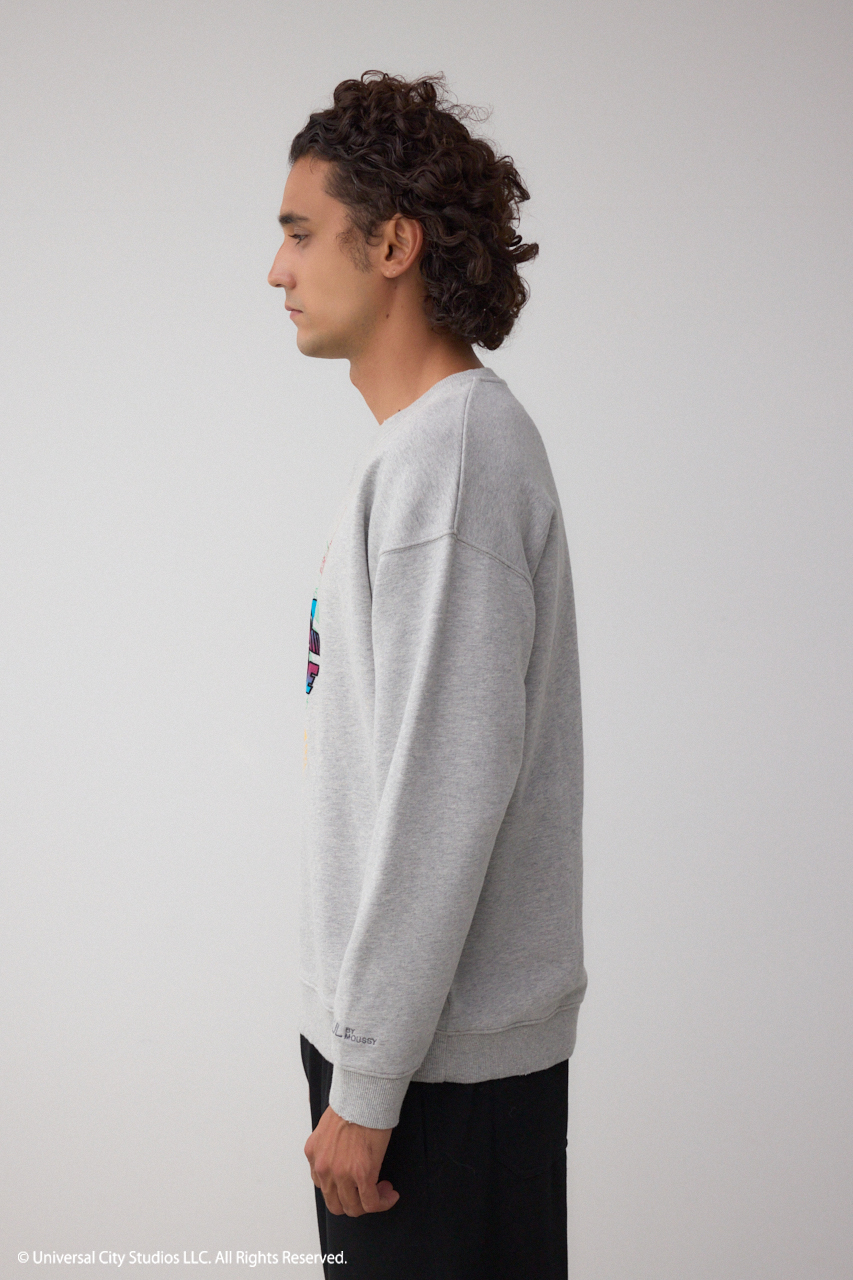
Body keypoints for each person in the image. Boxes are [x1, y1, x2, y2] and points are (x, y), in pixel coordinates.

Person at [268, 71, 587, 1280]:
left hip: (431, 1083)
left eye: (302, 232)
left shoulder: (450, 466)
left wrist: (366, 1081)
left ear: (391, 243)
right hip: (409, 1055)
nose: (277, 270)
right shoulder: (424, 455)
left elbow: (444, 796)